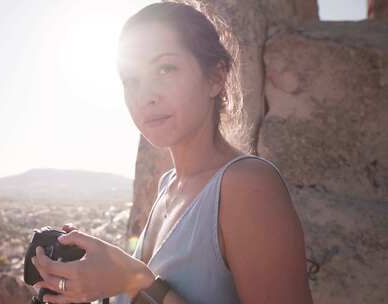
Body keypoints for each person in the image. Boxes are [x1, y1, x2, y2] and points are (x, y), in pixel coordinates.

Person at [30, 2, 314, 304]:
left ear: (216, 77)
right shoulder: (169, 185)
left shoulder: (248, 186)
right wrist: (97, 282)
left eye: (165, 68)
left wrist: (134, 281)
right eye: (131, 80)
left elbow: (143, 284)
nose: (145, 96)